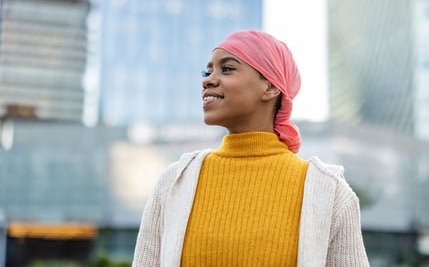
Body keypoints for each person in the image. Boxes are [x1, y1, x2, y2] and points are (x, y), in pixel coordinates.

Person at [132, 30, 370, 266]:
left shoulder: (331, 192)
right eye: (208, 71)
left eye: (227, 69)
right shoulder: (174, 182)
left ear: (270, 87)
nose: (208, 80)